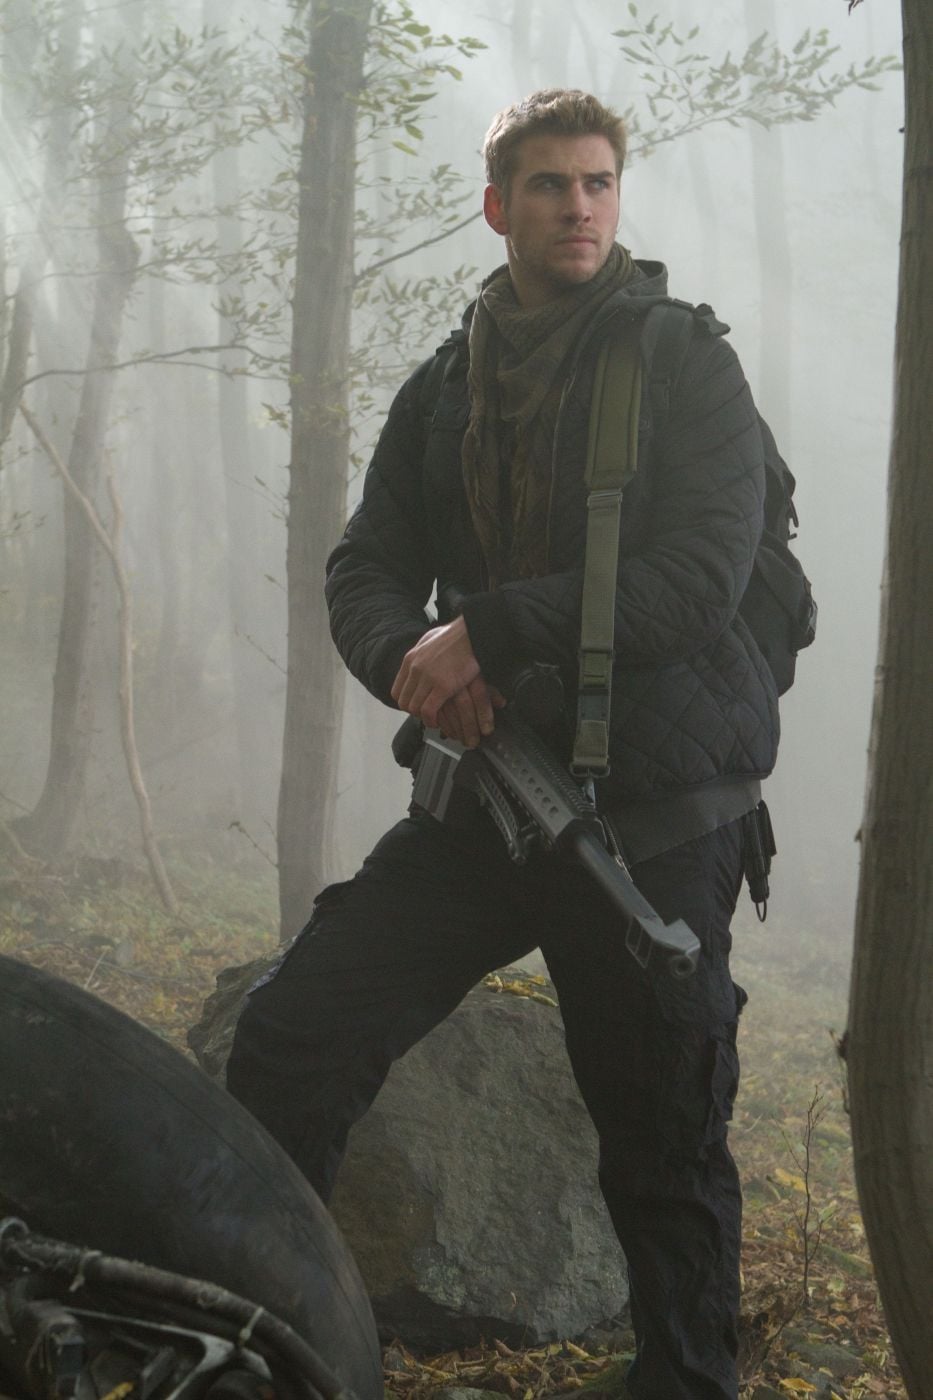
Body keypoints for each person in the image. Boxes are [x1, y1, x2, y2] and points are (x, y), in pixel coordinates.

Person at [227, 89, 780, 1400]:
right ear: (497, 207)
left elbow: (697, 582)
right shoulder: (447, 384)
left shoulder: (687, 365)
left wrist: (483, 629)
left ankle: (686, 1381)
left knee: (664, 1146)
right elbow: (364, 569)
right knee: (293, 1040)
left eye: (596, 183)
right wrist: (414, 669)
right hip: (488, 797)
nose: (577, 206)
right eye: (547, 184)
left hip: (656, 818)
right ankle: (278, 1344)